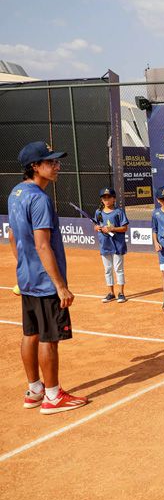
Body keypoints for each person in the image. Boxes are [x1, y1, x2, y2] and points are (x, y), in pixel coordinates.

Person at [8, 141, 88, 414]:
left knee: (30, 333)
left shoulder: (16, 193)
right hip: (44, 282)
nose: (57, 166)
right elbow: (43, 244)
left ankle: (35, 390)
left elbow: (12, 235)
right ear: (34, 167)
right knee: (48, 337)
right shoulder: (40, 199)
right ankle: (53, 396)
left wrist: (23, 267)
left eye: (56, 161)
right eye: (50, 162)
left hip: (28, 279)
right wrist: (60, 286)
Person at [94, 187, 129, 303]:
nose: (107, 200)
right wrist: (97, 228)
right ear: (101, 200)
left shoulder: (119, 212)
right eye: (104, 198)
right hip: (105, 244)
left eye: (109, 197)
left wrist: (112, 228)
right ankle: (111, 293)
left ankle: (121, 293)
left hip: (117, 244)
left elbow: (124, 228)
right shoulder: (98, 212)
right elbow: (96, 225)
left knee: (118, 269)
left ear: (114, 199)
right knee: (107, 269)